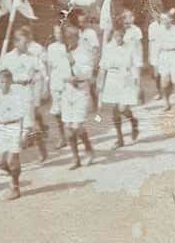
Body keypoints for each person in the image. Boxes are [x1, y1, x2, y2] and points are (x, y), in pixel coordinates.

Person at [1, 24, 48, 162]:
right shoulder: (8, 57)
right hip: (12, 92)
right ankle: (39, 144)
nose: (27, 45)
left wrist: (45, 87)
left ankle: (15, 154)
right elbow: (1, 74)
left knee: (27, 125)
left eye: (28, 42)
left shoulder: (32, 57)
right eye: (24, 42)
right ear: (15, 42)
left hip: (27, 91)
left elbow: (43, 71)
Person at [0, 66, 26, 199]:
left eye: (7, 81)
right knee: (0, 162)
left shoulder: (17, 96)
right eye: (2, 82)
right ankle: (13, 174)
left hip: (14, 126)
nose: (5, 84)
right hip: (0, 127)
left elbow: (24, 116)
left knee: (12, 159)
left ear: (11, 81)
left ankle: (15, 186)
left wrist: (23, 132)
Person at [60, 24, 96, 169]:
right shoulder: (64, 53)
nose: (68, 41)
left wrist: (74, 65)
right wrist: (66, 78)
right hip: (68, 91)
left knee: (77, 126)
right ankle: (76, 158)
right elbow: (59, 72)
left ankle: (88, 148)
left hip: (81, 90)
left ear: (77, 38)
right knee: (68, 127)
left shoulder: (83, 52)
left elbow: (88, 73)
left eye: (70, 38)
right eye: (66, 38)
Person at [98, 25, 141, 147]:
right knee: (115, 111)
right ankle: (120, 138)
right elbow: (103, 67)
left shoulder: (130, 48)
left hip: (126, 79)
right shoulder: (108, 48)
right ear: (113, 36)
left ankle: (133, 122)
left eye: (121, 36)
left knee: (122, 109)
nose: (119, 38)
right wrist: (99, 83)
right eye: (116, 36)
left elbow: (135, 65)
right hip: (112, 80)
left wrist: (138, 82)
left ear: (124, 36)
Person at [151, 10, 175, 107]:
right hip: (164, 56)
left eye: (166, 19)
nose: (164, 21)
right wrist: (155, 61)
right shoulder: (158, 31)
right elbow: (155, 47)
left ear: (171, 19)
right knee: (164, 81)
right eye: (162, 19)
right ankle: (167, 102)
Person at [45, 23, 71, 147]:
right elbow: (49, 66)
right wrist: (49, 82)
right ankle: (62, 137)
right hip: (56, 81)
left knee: (69, 109)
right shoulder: (51, 47)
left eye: (60, 33)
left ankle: (72, 135)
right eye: (56, 33)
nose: (58, 35)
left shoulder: (69, 46)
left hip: (68, 81)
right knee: (57, 112)